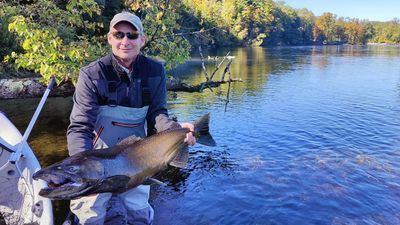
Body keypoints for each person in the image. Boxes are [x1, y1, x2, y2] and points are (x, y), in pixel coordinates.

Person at [66, 11, 196, 225]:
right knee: (90, 214)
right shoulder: (91, 74)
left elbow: (157, 114)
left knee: (139, 211)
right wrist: (84, 172)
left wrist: (176, 130)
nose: (125, 41)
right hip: (98, 157)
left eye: (132, 35)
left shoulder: (155, 71)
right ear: (110, 38)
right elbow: (80, 126)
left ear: (142, 40)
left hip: (138, 157)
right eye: (119, 35)